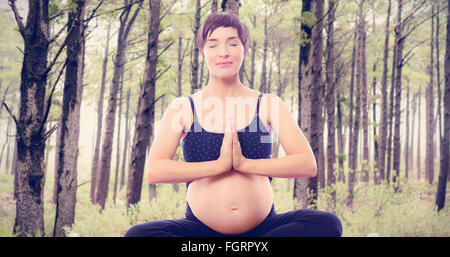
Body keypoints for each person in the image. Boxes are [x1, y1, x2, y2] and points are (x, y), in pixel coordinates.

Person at [125, 11, 342, 237]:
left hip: (264, 231)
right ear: (202, 53)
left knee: (327, 223)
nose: (223, 52)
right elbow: (155, 170)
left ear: (244, 50)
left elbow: (307, 164)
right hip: (200, 232)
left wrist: (244, 163)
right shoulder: (183, 108)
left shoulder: (268, 104)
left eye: (232, 43)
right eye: (213, 45)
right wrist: (218, 166)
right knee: (138, 235)